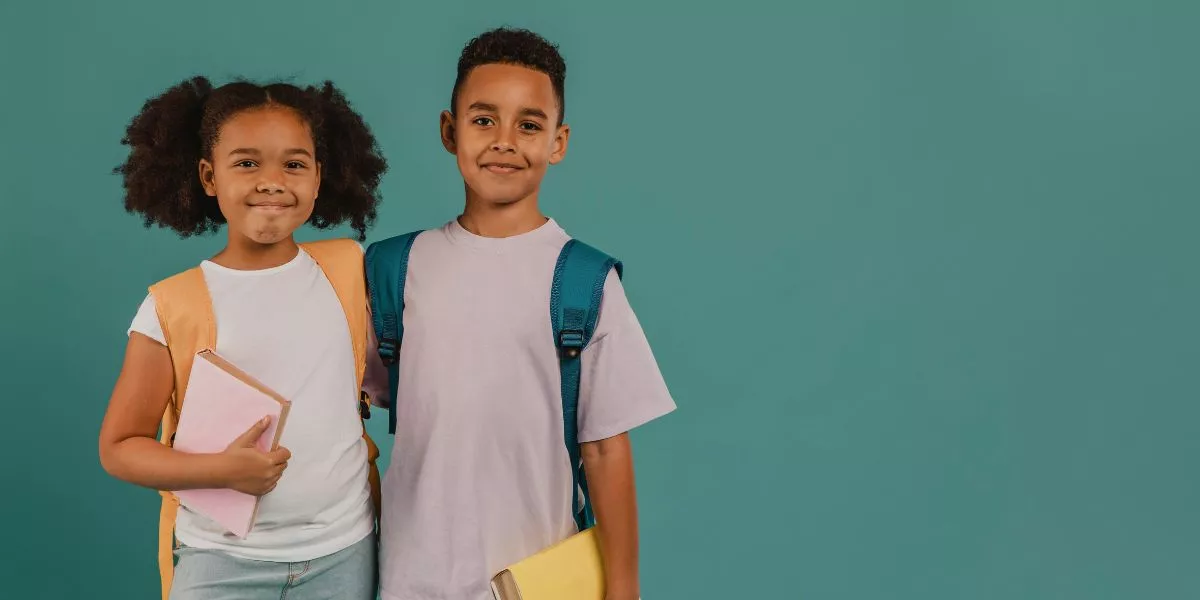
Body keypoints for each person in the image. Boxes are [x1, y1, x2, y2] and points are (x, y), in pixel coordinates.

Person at [371, 27, 676, 600]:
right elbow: (346, 406)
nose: (504, 141)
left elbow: (607, 447)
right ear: (449, 130)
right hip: (409, 579)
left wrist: (624, 586)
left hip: (539, 582)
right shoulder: (393, 268)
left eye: (528, 125)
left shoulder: (585, 281)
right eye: (484, 120)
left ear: (558, 142)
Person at [99, 76, 388, 600]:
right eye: (247, 163)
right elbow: (120, 447)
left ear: (319, 176)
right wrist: (220, 471)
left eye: (294, 164)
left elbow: (387, 378)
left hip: (346, 551)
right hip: (221, 560)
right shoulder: (172, 306)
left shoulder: (349, 268)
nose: (272, 181)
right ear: (209, 176)